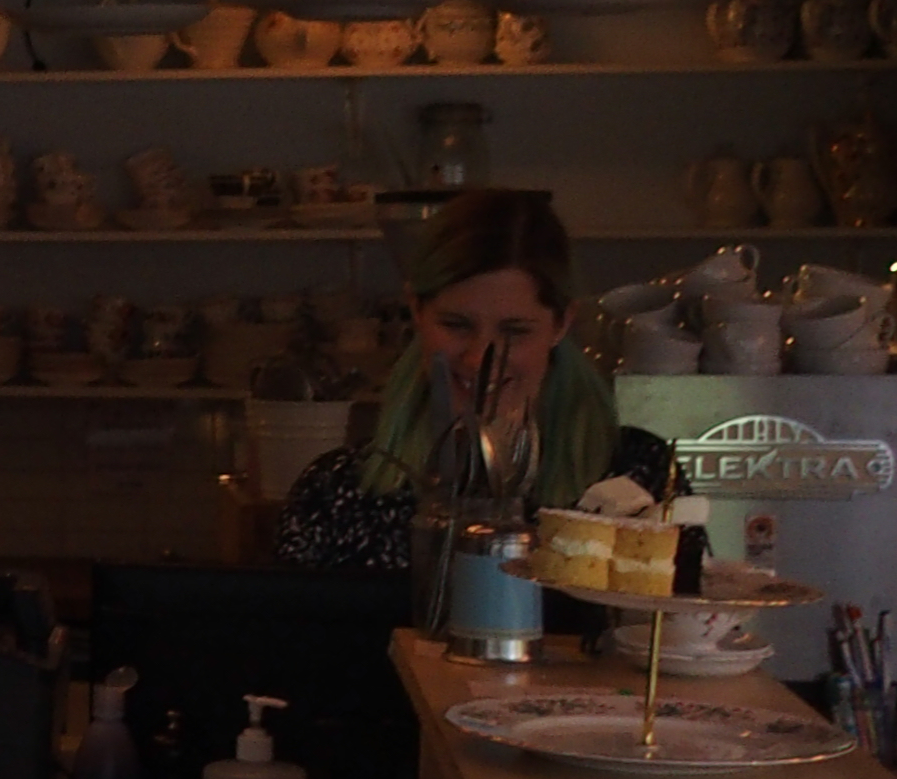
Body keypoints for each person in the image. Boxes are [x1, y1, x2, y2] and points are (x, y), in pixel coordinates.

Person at [275, 187, 665, 574]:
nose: (479, 359)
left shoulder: (637, 477)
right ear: (416, 310)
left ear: (561, 324)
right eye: (456, 325)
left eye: (514, 331)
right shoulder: (336, 493)